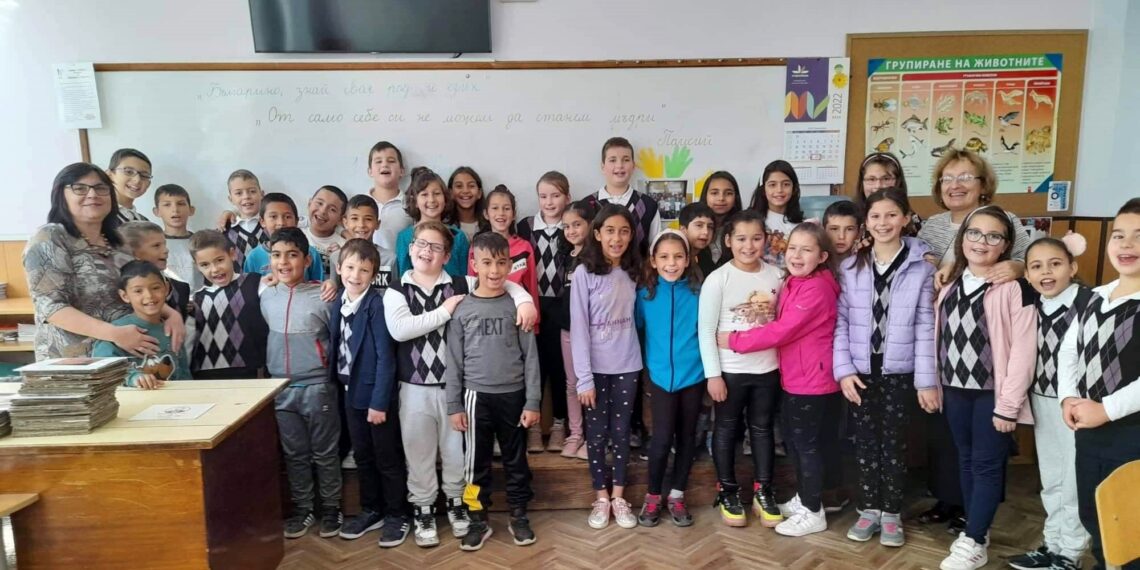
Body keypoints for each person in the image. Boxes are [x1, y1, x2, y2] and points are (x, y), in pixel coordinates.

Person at [383, 220, 537, 548]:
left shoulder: (460, 284)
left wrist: (525, 300)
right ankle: (437, 510)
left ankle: (476, 508)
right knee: (431, 455)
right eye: (421, 244)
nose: (427, 251)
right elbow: (401, 331)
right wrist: (443, 311)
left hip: (474, 390)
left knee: (466, 458)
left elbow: (503, 283)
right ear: (410, 248)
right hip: (428, 388)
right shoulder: (399, 289)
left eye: (436, 247)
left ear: (447, 255)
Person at [833, 188, 937, 547]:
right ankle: (869, 509)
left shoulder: (922, 266)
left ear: (905, 218)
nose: (883, 223)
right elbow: (841, 322)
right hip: (860, 372)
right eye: (875, 216)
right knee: (864, 443)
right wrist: (844, 370)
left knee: (893, 444)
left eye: (892, 215)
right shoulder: (850, 267)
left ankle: (891, 512)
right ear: (866, 221)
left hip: (899, 373)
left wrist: (926, 381)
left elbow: (925, 324)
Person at [722, 223, 841, 537]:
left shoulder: (816, 288)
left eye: (806, 250)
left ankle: (813, 511)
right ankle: (805, 498)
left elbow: (782, 330)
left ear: (822, 256)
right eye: (792, 248)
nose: (797, 255)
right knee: (796, 443)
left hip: (812, 380)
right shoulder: (794, 280)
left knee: (806, 447)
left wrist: (735, 340)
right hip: (795, 376)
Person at [934, 206, 1037, 570]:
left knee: (987, 465)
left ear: (1006, 245)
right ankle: (976, 528)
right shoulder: (949, 285)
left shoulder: (1015, 288)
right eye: (974, 233)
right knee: (965, 459)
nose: (982, 242)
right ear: (962, 238)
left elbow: (1024, 351)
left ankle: (975, 540)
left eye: (993, 236)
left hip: (992, 394)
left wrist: (1008, 406)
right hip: (954, 389)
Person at [24, 163, 181, 361]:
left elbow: (136, 287)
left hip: (125, 358)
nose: (92, 195)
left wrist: (172, 314)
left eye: (100, 188)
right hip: (76, 362)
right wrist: (115, 334)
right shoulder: (49, 237)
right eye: (80, 188)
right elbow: (51, 307)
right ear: (61, 195)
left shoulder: (119, 241)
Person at [446, 232, 542, 551]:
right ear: (474, 264)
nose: (494, 270)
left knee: (517, 461)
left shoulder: (518, 306)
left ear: (510, 265)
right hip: (475, 398)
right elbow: (454, 361)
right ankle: (477, 517)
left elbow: (531, 357)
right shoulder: (462, 309)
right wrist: (454, 405)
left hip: (514, 396)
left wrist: (532, 400)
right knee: (475, 464)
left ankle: (519, 515)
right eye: (486, 263)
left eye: (501, 263)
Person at [1058, 198, 1140, 570]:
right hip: (1090, 430)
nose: (1127, 244)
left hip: (1131, 434)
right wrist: (1068, 398)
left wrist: (1106, 409)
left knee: (1131, 525)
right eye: (1119, 235)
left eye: (1139, 236)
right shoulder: (1094, 297)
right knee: (1096, 514)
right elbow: (1068, 351)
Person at [1008, 235, 1092, 570]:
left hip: (1078, 406)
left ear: (1072, 267)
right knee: (1052, 477)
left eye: (1055, 264)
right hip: (1042, 400)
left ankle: (1071, 553)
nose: (1046, 272)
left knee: (1073, 481)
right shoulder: (1033, 306)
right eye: (1037, 266)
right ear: (1027, 274)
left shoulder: (1090, 303)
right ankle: (1053, 543)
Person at [698, 209, 784, 527]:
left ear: (766, 240)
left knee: (762, 430)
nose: (749, 246)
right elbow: (706, 331)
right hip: (730, 372)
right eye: (741, 239)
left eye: (756, 238)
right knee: (725, 429)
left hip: (768, 370)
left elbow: (782, 325)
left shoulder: (777, 276)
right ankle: (728, 490)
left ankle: (764, 491)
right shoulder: (717, 279)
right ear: (728, 241)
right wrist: (713, 375)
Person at [260, 228, 341, 540]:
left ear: (307, 260)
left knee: (325, 452)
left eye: (292, 255)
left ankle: (331, 508)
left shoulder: (324, 296)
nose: (283, 262)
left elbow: (337, 339)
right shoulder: (267, 296)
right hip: (281, 389)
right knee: (295, 454)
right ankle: (303, 508)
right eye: (277, 255)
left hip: (318, 387)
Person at [328, 239, 409, 545]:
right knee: (363, 456)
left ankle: (397, 514)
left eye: (364, 270)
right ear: (339, 269)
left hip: (375, 397)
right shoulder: (339, 301)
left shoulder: (376, 305)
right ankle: (371, 509)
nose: (355, 275)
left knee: (387, 457)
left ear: (374, 274)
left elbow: (386, 358)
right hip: (349, 394)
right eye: (350, 267)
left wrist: (379, 402)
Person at [570, 204, 643, 530]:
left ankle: (618, 497)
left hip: (628, 364)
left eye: (624, 231)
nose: (617, 238)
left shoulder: (634, 271)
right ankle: (601, 497)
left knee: (622, 432)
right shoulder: (584, 274)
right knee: (597, 435)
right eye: (610, 231)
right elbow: (579, 328)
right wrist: (584, 378)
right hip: (595, 370)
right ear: (597, 234)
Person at [635, 230, 704, 528]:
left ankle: (677, 494)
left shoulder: (699, 293)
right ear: (653, 260)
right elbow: (637, 332)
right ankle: (653, 495)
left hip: (694, 377)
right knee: (661, 439)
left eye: (678, 256)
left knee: (687, 438)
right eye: (664, 257)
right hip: (660, 379)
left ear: (688, 260)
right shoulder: (644, 295)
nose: (671, 263)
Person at [472, 185, 543, 450]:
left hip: (519, 324)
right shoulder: (477, 246)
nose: (501, 213)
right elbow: (472, 284)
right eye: (495, 208)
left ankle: (522, 429)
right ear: (486, 213)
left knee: (518, 377)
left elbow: (531, 286)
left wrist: (534, 321)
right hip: (486, 325)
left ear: (514, 213)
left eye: (506, 208)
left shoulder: (524, 246)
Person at [516, 171, 573, 453]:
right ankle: (535, 427)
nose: (549, 202)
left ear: (567, 197)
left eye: (556, 195)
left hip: (563, 306)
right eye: (543, 196)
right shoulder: (525, 226)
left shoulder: (572, 226)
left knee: (560, 367)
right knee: (534, 366)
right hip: (533, 305)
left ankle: (561, 424)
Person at [917, 149, 1032, 286]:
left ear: (983, 185)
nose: (954, 185)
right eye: (947, 179)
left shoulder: (1005, 220)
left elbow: (1034, 261)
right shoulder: (932, 225)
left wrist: (1018, 267)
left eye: (965, 178)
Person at [92, 260, 191, 388]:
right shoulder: (119, 332)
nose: (149, 295)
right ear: (125, 295)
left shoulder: (173, 329)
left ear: (166, 288)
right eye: (138, 291)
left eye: (155, 288)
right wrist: (134, 378)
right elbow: (104, 368)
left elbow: (184, 374)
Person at [186, 230, 267, 380]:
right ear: (196, 266)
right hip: (205, 377)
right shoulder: (195, 300)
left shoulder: (256, 284)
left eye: (219, 260)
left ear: (232, 254)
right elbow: (188, 343)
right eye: (205, 264)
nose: (215, 269)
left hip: (252, 373)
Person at [553, 199, 596, 459]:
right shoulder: (565, 256)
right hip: (568, 329)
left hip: (592, 333)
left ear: (591, 224)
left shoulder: (595, 258)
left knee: (591, 383)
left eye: (577, 224)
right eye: (566, 226)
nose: (571, 231)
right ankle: (575, 433)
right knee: (572, 383)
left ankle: (594, 435)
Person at [393, 167, 470, 278]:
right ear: (415, 201)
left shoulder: (458, 236)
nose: (432, 200)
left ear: (445, 199)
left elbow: (464, 277)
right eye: (424, 194)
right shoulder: (405, 237)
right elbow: (403, 277)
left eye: (437, 193)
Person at [592, 137, 660, 256]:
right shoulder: (588, 205)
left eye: (626, 160)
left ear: (633, 166)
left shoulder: (648, 205)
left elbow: (656, 248)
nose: (619, 165)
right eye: (612, 160)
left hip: (638, 268)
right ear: (603, 166)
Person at [119, 221, 192, 321]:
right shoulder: (123, 291)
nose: (166, 250)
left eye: (164, 244)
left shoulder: (181, 288)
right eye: (156, 246)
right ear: (133, 253)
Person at [242, 193, 324, 281]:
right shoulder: (254, 257)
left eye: (287, 217)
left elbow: (318, 285)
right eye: (273, 217)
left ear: (296, 221)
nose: (281, 223)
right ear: (262, 221)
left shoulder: (310, 253)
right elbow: (249, 286)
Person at [749, 160, 813, 269]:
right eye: (772, 185)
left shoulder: (802, 225)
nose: (779, 190)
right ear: (763, 189)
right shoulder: (752, 221)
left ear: (794, 188)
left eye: (786, 184)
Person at [366, 141, 413, 269]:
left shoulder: (411, 205)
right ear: (370, 171)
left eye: (391, 161)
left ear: (402, 171)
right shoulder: (360, 204)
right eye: (378, 161)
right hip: (363, 272)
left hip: (399, 271)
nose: (385, 164)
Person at [854, 152, 922, 236]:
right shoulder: (851, 217)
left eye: (886, 179)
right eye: (871, 179)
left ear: (898, 182)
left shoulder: (913, 221)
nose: (878, 186)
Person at [151, 183, 202, 291]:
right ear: (157, 211)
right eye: (167, 205)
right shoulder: (152, 245)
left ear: (191, 210)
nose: (175, 209)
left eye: (181, 204)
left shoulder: (201, 242)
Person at [221, 169, 266, 270]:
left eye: (252, 191)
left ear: (262, 194)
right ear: (231, 199)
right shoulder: (225, 231)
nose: (246, 197)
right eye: (239, 193)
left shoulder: (271, 224)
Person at [343, 194, 390, 288]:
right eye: (354, 218)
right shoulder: (337, 256)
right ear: (345, 222)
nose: (361, 225)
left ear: (377, 224)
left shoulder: (390, 259)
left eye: (368, 219)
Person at [696, 171, 742, 265]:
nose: (721, 198)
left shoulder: (742, 228)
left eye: (728, 193)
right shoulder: (693, 226)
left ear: (735, 197)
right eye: (714, 193)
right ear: (705, 196)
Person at [303, 185, 349, 278]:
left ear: (341, 219)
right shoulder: (293, 236)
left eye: (332, 209)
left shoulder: (345, 247)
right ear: (309, 203)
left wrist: (338, 257)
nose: (323, 211)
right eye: (319, 203)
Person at [106, 148, 153, 223]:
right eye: (129, 172)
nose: (137, 180)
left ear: (148, 184)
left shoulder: (145, 222)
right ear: (109, 175)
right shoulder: (101, 217)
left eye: (144, 175)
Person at [679, 203, 716, 277]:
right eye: (699, 225)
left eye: (710, 227)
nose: (706, 232)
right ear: (683, 229)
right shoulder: (675, 259)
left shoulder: (706, 258)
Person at [449, 166, 485, 242]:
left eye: (471, 186)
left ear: (479, 193)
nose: (465, 191)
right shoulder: (445, 227)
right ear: (451, 193)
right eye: (459, 186)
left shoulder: (489, 226)